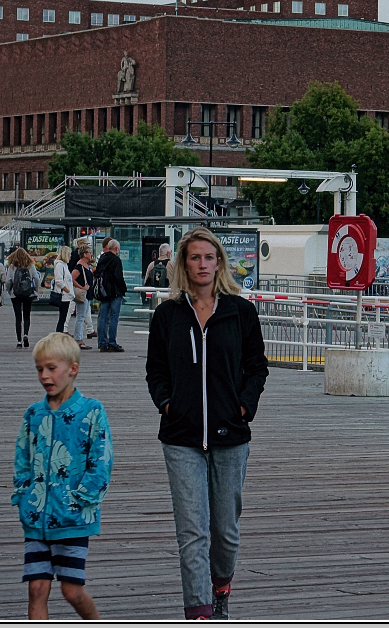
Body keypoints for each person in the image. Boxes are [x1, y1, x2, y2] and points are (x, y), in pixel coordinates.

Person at [145, 227, 269, 620]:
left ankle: (220, 585)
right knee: (192, 532)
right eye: (195, 258)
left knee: (225, 532)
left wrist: (244, 407)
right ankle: (199, 612)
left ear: (220, 263)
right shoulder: (168, 315)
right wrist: (167, 404)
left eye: (209, 257)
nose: (202, 264)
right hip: (181, 436)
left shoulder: (240, 311)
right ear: (183, 264)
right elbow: (155, 371)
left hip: (231, 434)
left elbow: (256, 368)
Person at [13, 332, 111, 621]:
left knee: (71, 590)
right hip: (36, 517)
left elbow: (101, 460)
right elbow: (22, 457)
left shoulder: (91, 411)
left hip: (73, 519)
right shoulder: (33, 413)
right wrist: (23, 496)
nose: (44, 376)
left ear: (73, 369)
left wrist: (81, 500)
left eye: (51, 368)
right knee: (37, 588)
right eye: (39, 369)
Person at [94, 239, 128, 353]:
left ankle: (102, 343)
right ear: (116, 248)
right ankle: (112, 342)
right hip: (115, 292)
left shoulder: (102, 258)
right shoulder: (116, 260)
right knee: (114, 317)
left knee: (103, 317)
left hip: (104, 292)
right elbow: (118, 277)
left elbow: (97, 273)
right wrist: (123, 289)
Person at [6, 248, 39, 348]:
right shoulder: (31, 266)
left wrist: (9, 291)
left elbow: (8, 281)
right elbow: (36, 278)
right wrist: (35, 291)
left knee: (18, 317)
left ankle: (19, 341)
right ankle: (26, 334)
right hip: (28, 293)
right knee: (26, 315)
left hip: (15, 294)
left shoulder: (12, 266)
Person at [68, 246, 95, 350]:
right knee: (81, 317)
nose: (90, 254)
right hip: (82, 294)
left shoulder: (86, 265)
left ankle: (79, 338)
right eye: (89, 252)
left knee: (82, 316)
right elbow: (72, 278)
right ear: (84, 254)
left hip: (87, 294)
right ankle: (78, 339)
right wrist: (81, 287)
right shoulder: (79, 266)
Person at [51, 247, 75, 335]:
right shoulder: (60, 265)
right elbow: (59, 281)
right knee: (62, 318)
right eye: (69, 253)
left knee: (64, 317)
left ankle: (60, 334)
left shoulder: (64, 265)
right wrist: (67, 290)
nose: (70, 255)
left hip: (67, 296)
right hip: (63, 296)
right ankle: (59, 335)